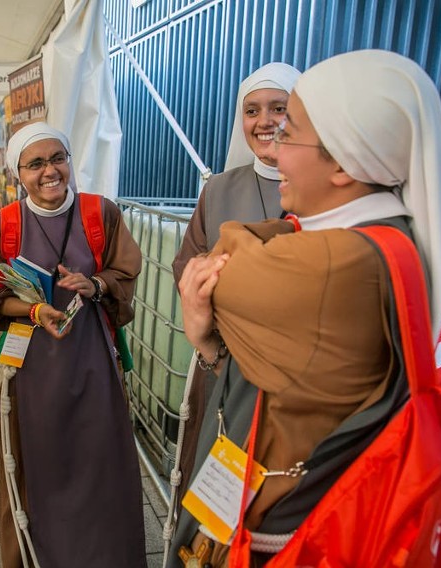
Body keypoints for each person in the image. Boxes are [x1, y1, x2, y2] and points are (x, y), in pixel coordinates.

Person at [173, 49, 441, 565]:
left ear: (344, 163)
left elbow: (224, 247)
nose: (274, 150)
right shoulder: (379, 237)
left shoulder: (331, 262)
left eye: (288, 131)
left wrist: (207, 328)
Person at [0, 122, 146, 567]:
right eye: (36, 163)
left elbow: (124, 271)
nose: (50, 171)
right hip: (32, 367)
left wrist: (94, 283)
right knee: (39, 463)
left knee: (100, 460)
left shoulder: (100, 214)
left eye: (58, 158)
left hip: (91, 359)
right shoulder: (2, 227)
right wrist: (34, 311)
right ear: (19, 173)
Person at [169, 63, 300, 519]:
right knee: (214, 496)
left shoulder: (317, 187)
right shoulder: (219, 189)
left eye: (279, 108)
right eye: (252, 110)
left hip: (294, 376)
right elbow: (186, 262)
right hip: (224, 362)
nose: (265, 120)